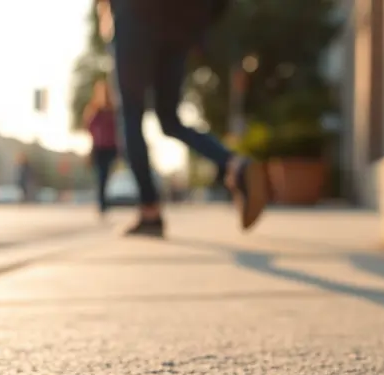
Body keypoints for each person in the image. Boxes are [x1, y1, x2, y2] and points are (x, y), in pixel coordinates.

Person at [98, 0, 268, 238]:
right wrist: (200, 26)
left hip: (136, 17)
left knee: (131, 114)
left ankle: (150, 211)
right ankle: (234, 163)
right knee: (170, 120)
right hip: (179, 28)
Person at [82, 79, 119, 217]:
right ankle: (102, 203)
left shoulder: (113, 110)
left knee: (107, 175)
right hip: (98, 147)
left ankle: (104, 201)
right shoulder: (94, 110)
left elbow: (118, 129)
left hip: (111, 147)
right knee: (101, 175)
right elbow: (89, 127)